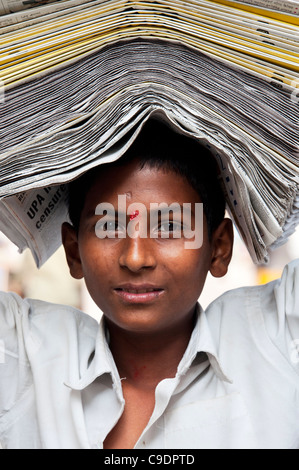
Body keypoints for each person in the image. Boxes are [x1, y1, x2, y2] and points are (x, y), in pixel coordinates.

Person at [0, 118, 298, 449]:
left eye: (169, 226)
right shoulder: (23, 358)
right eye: (108, 227)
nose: (136, 257)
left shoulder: (279, 337)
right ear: (74, 252)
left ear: (219, 248)